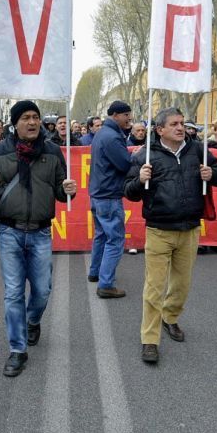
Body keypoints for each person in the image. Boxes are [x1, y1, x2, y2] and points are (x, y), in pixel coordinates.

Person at [0, 100, 77, 377]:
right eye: (25, 118)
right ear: (15, 123)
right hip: (8, 231)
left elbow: (61, 192)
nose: (32, 122)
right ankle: (17, 349)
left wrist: (69, 189)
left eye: (35, 117)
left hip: (41, 232)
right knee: (13, 292)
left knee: (43, 290)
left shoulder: (53, 151)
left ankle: (33, 320)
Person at [124, 107, 217, 364]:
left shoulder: (198, 149)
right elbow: (129, 192)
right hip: (159, 230)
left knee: (182, 285)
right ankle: (150, 339)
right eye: (174, 124)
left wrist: (213, 174)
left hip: (190, 229)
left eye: (182, 123)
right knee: (154, 288)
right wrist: (139, 180)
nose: (181, 128)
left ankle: (169, 317)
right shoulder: (145, 155)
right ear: (160, 129)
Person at [89, 101, 134, 298]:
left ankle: (95, 272)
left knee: (101, 235)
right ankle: (106, 284)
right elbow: (124, 164)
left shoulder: (102, 133)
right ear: (115, 115)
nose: (129, 119)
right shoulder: (112, 136)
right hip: (109, 195)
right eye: (126, 115)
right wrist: (135, 156)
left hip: (98, 193)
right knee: (115, 239)